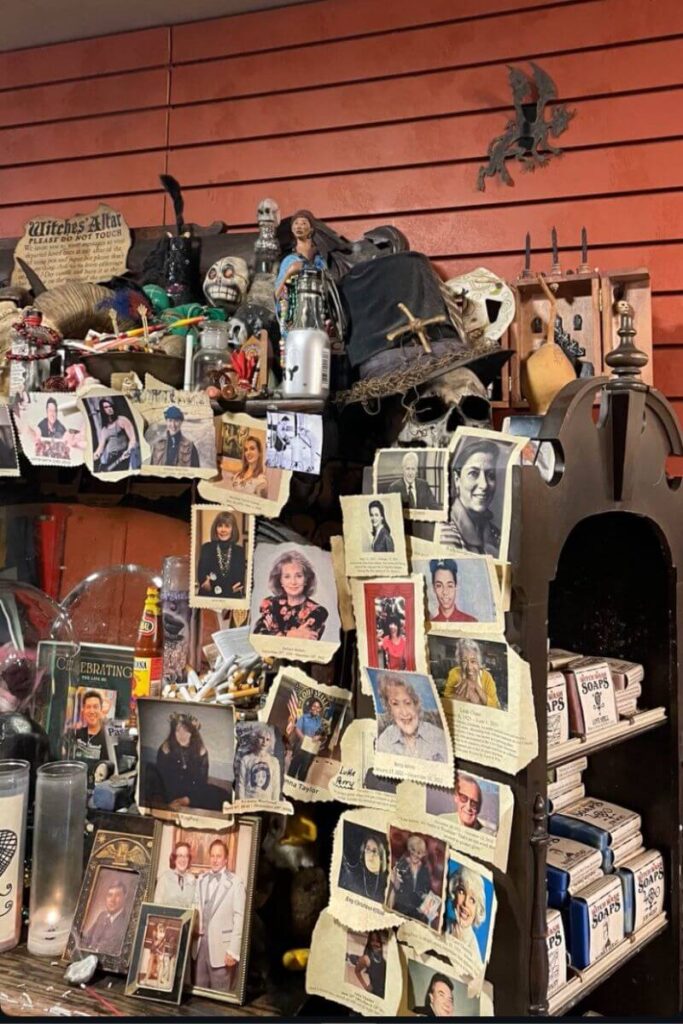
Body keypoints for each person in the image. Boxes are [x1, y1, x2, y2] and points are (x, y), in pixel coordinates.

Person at [193, 839, 246, 993]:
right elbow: (195, 908)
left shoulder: (235, 883)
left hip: (222, 951)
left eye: (219, 856)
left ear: (225, 859)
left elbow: (240, 919)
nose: (215, 860)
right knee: (197, 994)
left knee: (220, 996)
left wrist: (233, 951)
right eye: (213, 856)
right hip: (199, 948)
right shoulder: (201, 880)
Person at [152, 713, 227, 812]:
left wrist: (186, 800)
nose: (182, 735)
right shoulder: (166, 748)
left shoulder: (201, 751)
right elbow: (161, 779)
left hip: (192, 793)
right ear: (173, 732)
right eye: (178, 731)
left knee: (223, 796)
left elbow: (201, 782)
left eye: (186, 732)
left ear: (193, 733)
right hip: (170, 790)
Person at [443, 439, 502, 556]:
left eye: (490, 475)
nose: (484, 485)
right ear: (457, 479)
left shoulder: (495, 533)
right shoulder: (447, 533)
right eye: (473, 474)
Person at [253, 549, 328, 639]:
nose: (293, 582)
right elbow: (258, 636)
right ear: (280, 580)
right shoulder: (270, 604)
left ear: (306, 579)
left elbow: (304, 643)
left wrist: (274, 634)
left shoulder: (318, 611)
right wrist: (291, 635)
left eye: (299, 576)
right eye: (287, 576)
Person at [274, 210, 326, 338]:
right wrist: (290, 272)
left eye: (303, 223)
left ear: (311, 229)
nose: (299, 226)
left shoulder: (319, 260)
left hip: (317, 320)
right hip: (294, 322)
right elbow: (277, 294)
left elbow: (328, 287)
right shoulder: (289, 260)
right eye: (296, 223)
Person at [375, 675, 448, 762]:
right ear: (389, 709)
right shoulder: (385, 740)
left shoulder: (438, 736)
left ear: (416, 704)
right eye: (395, 704)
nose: (404, 712)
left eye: (408, 703)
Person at [444, 864, 486, 971]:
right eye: (462, 891)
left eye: (472, 900)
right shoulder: (443, 923)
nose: (466, 903)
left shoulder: (473, 949)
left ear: (477, 910)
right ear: (454, 892)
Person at [387, 834, 436, 924]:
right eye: (413, 850)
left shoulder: (425, 870)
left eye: (419, 853)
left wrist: (425, 904)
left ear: (423, 854)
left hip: (417, 910)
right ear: (409, 848)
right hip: (402, 906)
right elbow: (396, 887)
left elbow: (427, 890)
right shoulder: (402, 864)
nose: (415, 854)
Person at [197, 511, 246, 599]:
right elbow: (202, 578)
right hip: (209, 599)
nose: (223, 530)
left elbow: (239, 581)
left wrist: (216, 586)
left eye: (227, 526)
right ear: (215, 528)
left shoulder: (239, 551)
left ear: (233, 529)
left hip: (232, 600)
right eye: (220, 526)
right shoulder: (206, 548)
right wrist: (229, 589)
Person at [444, 639, 500, 709]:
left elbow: (496, 706)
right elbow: (446, 699)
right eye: (464, 661)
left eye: (473, 661)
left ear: (479, 663)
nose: (469, 667)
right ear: (460, 663)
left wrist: (476, 686)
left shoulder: (487, 677)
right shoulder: (454, 673)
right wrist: (474, 698)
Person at [92, 396, 141, 472]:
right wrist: (93, 457)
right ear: (102, 410)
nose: (109, 408)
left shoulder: (121, 420)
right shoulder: (104, 430)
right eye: (106, 407)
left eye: (110, 406)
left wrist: (128, 451)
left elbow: (133, 438)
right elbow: (100, 449)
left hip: (123, 455)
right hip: (111, 459)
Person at [81, 878, 129, 954]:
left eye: (117, 895)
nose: (112, 900)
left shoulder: (127, 923)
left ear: (125, 897)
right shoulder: (102, 916)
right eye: (110, 895)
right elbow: (86, 939)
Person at [339, 832, 388, 904]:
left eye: (374, 851)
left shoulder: (387, 880)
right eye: (367, 849)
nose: (370, 854)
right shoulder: (355, 872)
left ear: (381, 857)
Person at [236, 725, 281, 802]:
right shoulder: (246, 759)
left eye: (267, 739)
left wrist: (274, 806)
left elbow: (276, 787)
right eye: (261, 738)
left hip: (266, 804)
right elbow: (241, 784)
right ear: (255, 738)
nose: (264, 742)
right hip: (249, 802)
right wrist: (241, 804)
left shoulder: (274, 762)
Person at [287, 695, 325, 781]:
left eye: (318, 707)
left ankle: (297, 791)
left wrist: (319, 736)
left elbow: (322, 733)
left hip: (310, 750)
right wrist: (303, 738)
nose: (316, 708)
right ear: (311, 707)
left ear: (320, 710)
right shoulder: (304, 717)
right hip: (300, 746)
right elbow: (297, 729)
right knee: (294, 767)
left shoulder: (319, 721)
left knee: (304, 770)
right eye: (314, 706)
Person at [429, 559, 477, 624]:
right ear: (434, 588)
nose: (445, 592)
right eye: (439, 586)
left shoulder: (471, 621)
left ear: (456, 586)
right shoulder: (430, 624)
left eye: (450, 586)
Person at [154, 841, 197, 909]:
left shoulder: (192, 880)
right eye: (180, 856)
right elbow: (156, 906)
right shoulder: (164, 878)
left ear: (189, 859)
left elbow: (195, 907)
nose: (183, 859)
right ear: (174, 858)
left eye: (186, 856)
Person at [72, 690, 108, 754]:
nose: (92, 711)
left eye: (95, 707)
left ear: (101, 709)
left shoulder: (108, 738)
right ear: (83, 710)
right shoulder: (75, 734)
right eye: (88, 707)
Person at [353, 931, 387, 998]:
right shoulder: (366, 958)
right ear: (369, 942)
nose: (375, 943)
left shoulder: (380, 957)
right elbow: (357, 971)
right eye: (373, 940)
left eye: (377, 941)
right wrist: (365, 986)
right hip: (376, 994)